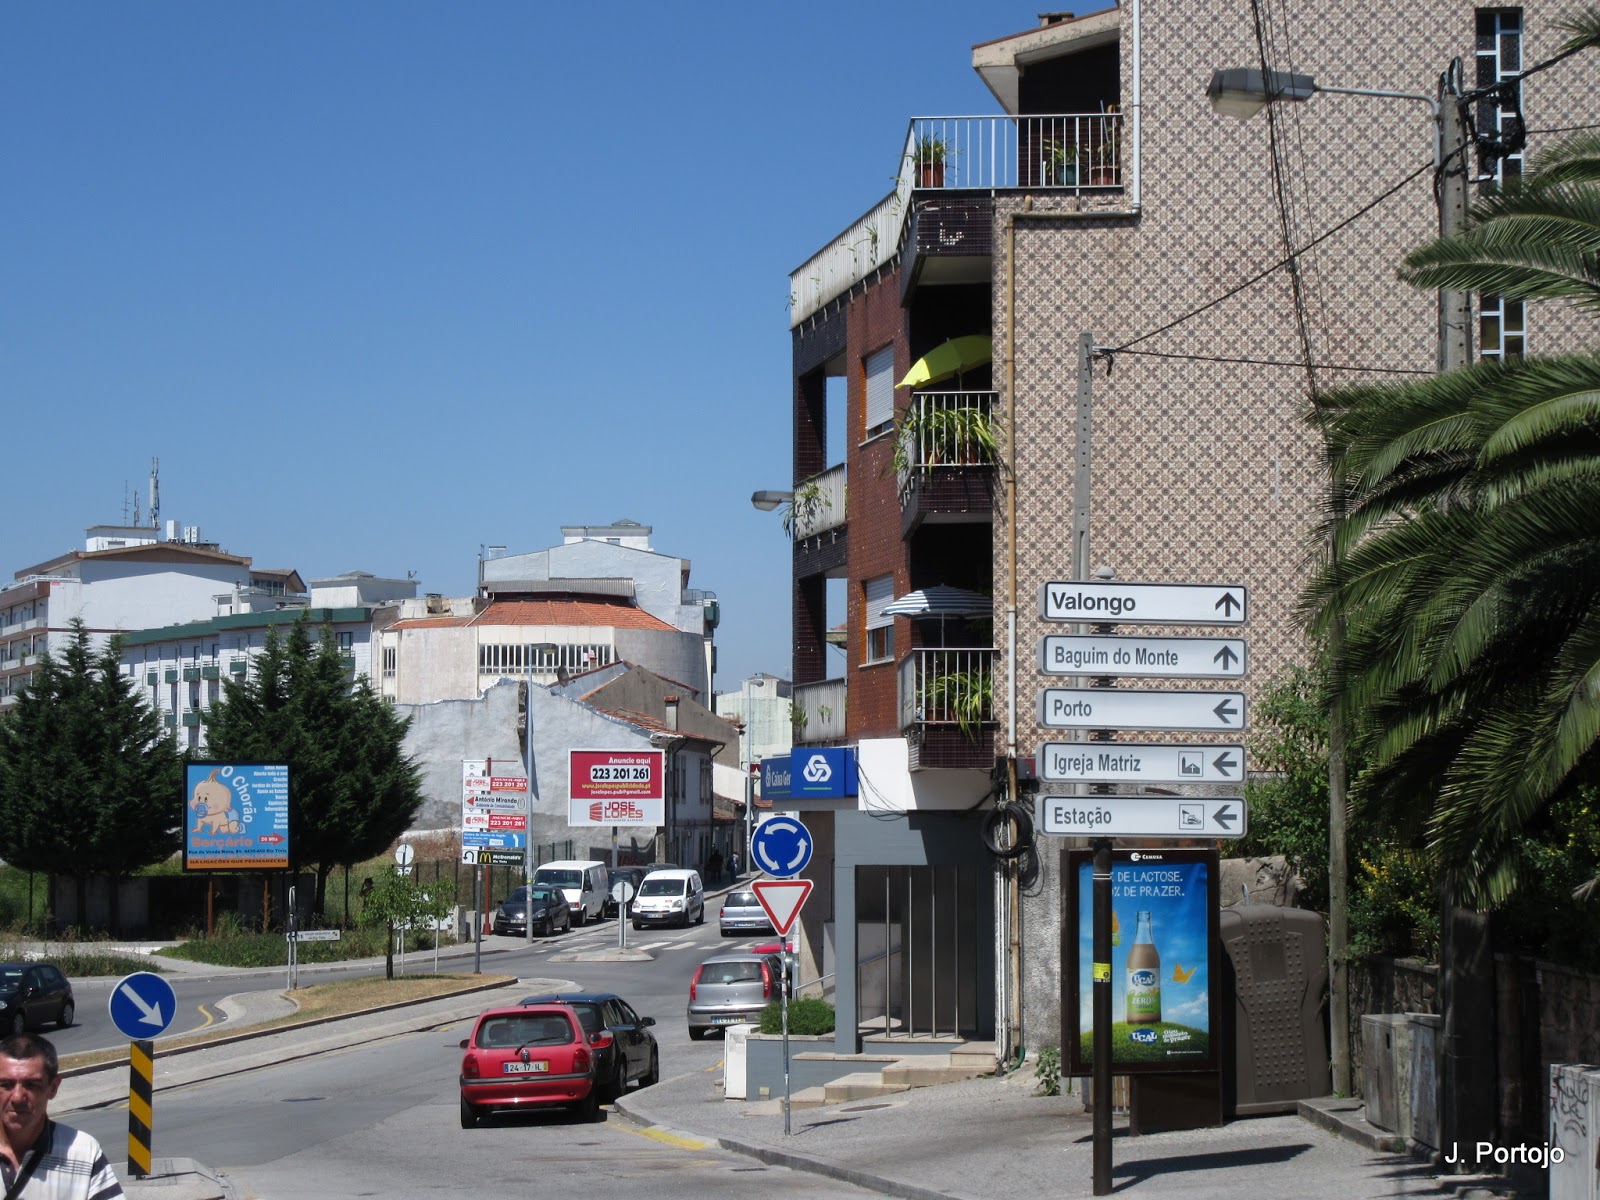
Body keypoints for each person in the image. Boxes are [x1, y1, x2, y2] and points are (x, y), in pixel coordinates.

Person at [0, 1032, 122, 1199]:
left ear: (53, 1087)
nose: (17, 1097)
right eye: (6, 1084)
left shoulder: (84, 1153)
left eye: (31, 1085)